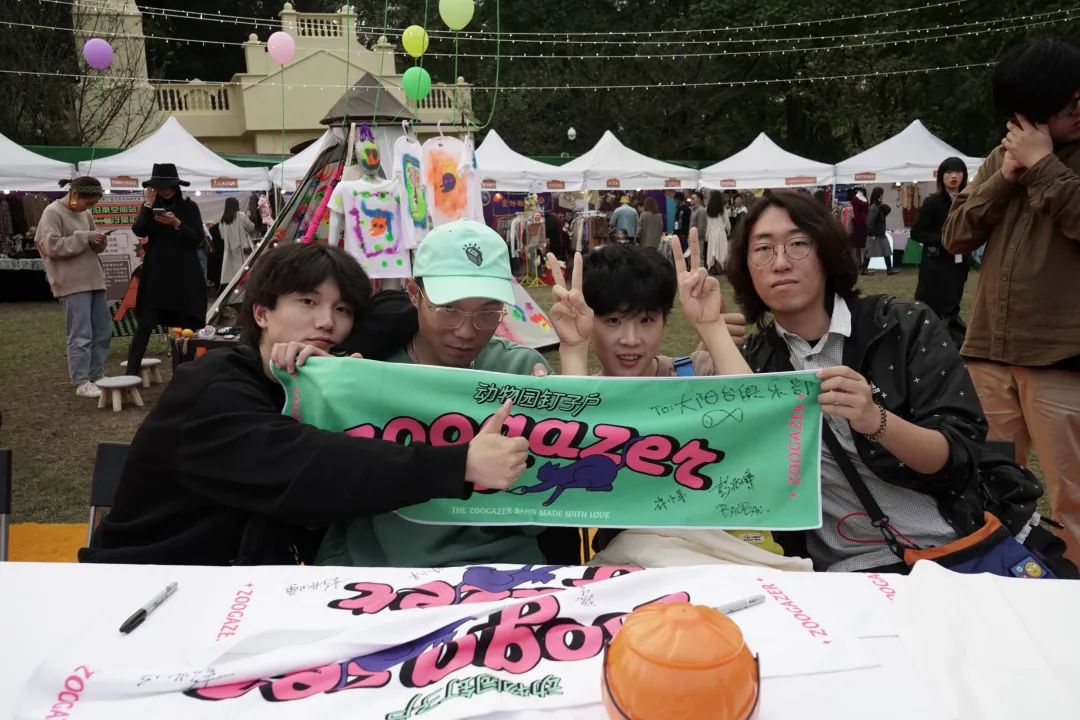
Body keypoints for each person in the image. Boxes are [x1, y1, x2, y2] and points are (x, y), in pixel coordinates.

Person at [79, 242, 529, 566]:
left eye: (342, 310)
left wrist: (341, 359)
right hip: (146, 584)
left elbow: (395, 308)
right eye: (307, 302)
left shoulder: (302, 377)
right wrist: (458, 464)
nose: (326, 322)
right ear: (261, 312)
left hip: (245, 586)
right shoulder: (212, 389)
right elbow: (313, 466)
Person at [728, 191, 992, 572]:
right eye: (763, 249)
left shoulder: (903, 327)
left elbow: (958, 458)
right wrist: (709, 329)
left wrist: (876, 420)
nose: (781, 262)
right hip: (840, 575)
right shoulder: (754, 363)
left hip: (945, 551)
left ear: (826, 252)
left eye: (798, 244)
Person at [316, 220, 561, 568]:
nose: (466, 331)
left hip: (499, 569)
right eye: (449, 309)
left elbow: (551, 503)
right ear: (413, 294)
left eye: (488, 312)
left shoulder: (520, 370)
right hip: (378, 570)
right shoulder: (369, 368)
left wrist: (560, 411)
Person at [942, 36, 1080, 564]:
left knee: (1072, 497)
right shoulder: (1000, 158)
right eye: (1066, 104)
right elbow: (955, 235)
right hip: (989, 353)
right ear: (1029, 113)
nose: (1078, 109)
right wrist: (1005, 177)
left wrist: (1044, 166)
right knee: (987, 485)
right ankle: (1000, 579)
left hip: (1061, 356)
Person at [125, 163, 206, 375]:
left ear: (176, 186)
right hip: (157, 274)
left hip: (184, 273)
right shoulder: (150, 207)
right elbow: (139, 230)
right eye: (160, 187)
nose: (164, 190)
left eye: (168, 186)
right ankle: (131, 373)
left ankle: (187, 371)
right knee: (145, 323)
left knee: (187, 324)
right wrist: (148, 204)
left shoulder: (189, 207)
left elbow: (197, 239)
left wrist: (177, 223)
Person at [35, 176, 112, 398]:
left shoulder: (85, 214)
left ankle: (96, 374)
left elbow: (91, 243)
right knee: (81, 333)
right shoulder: (52, 212)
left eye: (94, 204)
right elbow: (51, 246)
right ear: (75, 194)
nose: (90, 207)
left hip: (93, 278)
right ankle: (81, 380)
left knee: (103, 330)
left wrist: (99, 241)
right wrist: (85, 237)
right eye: (89, 202)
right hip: (71, 282)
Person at [911, 157, 970, 345]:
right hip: (936, 264)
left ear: (964, 175)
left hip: (959, 263)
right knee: (932, 307)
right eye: (949, 172)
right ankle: (928, 343)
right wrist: (945, 239)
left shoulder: (969, 200)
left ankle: (951, 343)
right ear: (941, 176)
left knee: (952, 303)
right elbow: (916, 232)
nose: (954, 176)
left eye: (958, 172)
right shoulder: (933, 202)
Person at [218, 196, 255, 287]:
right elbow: (251, 228)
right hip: (244, 250)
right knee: (247, 275)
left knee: (234, 279)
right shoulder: (241, 215)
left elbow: (222, 237)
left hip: (230, 253)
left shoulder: (222, 220)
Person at [865, 187, 897, 275]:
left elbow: (888, 210)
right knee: (870, 251)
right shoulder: (874, 207)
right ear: (879, 195)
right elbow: (870, 221)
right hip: (876, 234)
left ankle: (889, 269)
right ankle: (864, 269)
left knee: (886, 250)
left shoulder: (878, 206)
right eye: (882, 194)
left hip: (879, 233)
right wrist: (871, 233)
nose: (883, 196)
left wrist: (882, 204)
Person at [704, 190, 732, 273]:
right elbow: (727, 222)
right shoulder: (722, 209)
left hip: (711, 233)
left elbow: (707, 223)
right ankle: (720, 268)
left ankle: (712, 267)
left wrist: (707, 235)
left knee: (712, 250)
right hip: (720, 233)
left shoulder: (707, 209)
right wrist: (729, 231)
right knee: (721, 250)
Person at [672, 191, 692, 255]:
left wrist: (683, 234)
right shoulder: (678, 209)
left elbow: (686, 223)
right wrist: (675, 232)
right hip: (677, 234)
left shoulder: (687, 209)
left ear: (679, 199)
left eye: (675, 200)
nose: (674, 201)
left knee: (684, 253)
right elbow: (677, 222)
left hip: (683, 236)